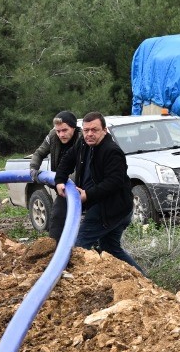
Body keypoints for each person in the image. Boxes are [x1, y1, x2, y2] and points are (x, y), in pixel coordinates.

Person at [55, 112, 142, 269]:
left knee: (78, 247)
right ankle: (144, 279)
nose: (89, 134)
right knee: (111, 248)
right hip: (105, 206)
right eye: (86, 130)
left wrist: (87, 195)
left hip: (111, 209)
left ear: (104, 130)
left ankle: (73, 279)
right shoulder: (83, 144)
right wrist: (60, 180)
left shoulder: (112, 151)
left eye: (94, 130)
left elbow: (114, 182)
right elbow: (67, 159)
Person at [27, 111, 82, 241]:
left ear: (74, 128)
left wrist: (63, 181)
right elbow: (39, 153)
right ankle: (54, 248)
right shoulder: (52, 136)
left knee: (89, 226)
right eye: (58, 131)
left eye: (65, 130)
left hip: (84, 187)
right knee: (57, 218)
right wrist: (33, 169)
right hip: (63, 188)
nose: (61, 134)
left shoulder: (83, 139)